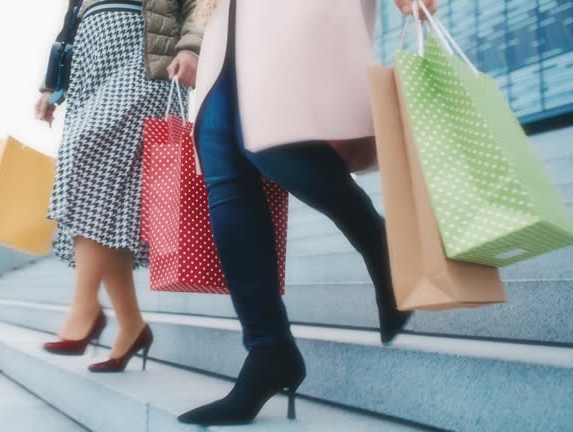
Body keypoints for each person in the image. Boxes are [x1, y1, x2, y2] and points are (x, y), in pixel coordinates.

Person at [178, 0, 437, 425]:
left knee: (273, 137)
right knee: (222, 162)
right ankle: (268, 349)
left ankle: (382, 245)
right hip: (227, 17)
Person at [34, 0, 203, 372]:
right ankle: (131, 326)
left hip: (145, 57)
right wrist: (51, 86)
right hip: (89, 66)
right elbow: (73, 18)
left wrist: (191, 46)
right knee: (111, 201)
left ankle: (85, 310)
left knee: (85, 155)